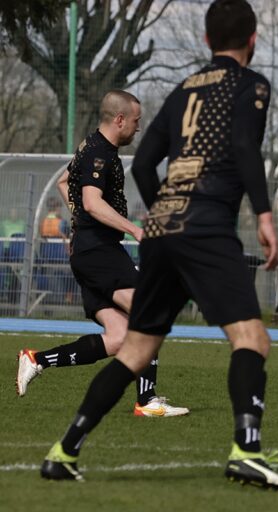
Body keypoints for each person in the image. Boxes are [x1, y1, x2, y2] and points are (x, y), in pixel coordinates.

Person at [40, 0, 278, 491]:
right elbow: (246, 147)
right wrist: (265, 215)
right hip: (206, 229)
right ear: (253, 39)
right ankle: (247, 452)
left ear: (206, 41)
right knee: (252, 339)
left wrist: (168, 208)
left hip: (163, 229)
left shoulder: (184, 89)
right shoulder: (251, 84)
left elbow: (143, 166)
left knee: (136, 349)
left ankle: (64, 450)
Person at [16, 90, 188, 419]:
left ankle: (36, 360)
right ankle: (147, 401)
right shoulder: (99, 153)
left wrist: (77, 220)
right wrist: (135, 230)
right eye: (136, 121)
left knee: (120, 337)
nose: (138, 128)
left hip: (90, 249)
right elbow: (92, 202)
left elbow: (65, 183)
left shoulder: (89, 145)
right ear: (119, 119)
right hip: (98, 250)